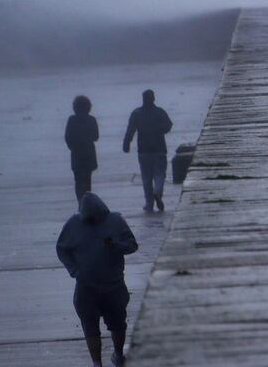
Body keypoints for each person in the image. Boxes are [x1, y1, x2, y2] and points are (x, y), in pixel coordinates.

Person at [56, 192, 138, 367]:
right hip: (86, 286)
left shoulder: (116, 221)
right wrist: (74, 270)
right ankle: (97, 363)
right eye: (89, 219)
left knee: (118, 324)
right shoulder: (73, 224)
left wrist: (115, 246)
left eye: (96, 218)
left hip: (113, 284)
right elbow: (62, 249)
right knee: (89, 324)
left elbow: (132, 245)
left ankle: (118, 353)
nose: (93, 221)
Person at [123, 89, 173, 212]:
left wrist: (126, 143)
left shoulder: (136, 113)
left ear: (143, 99)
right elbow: (169, 125)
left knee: (146, 177)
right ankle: (157, 192)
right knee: (159, 174)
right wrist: (158, 130)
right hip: (159, 148)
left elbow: (130, 130)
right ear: (153, 98)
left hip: (143, 150)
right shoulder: (159, 112)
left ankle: (149, 203)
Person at [65, 95, 99, 203]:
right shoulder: (91, 120)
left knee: (78, 181)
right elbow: (96, 137)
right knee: (87, 182)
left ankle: (81, 203)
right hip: (89, 154)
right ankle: (87, 203)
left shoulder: (71, 120)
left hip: (77, 155)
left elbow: (68, 137)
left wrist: (73, 147)